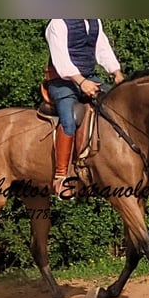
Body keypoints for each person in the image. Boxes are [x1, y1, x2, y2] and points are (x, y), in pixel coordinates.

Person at [44, 19, 125, 197]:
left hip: (89, 77)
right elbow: (62, 62)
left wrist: (116, 72)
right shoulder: (57, 23)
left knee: (117, 107)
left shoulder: (94, 21)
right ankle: (61, 175)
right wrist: (82, 82)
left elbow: (103, 49)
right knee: (69, 120)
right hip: (62, 81)